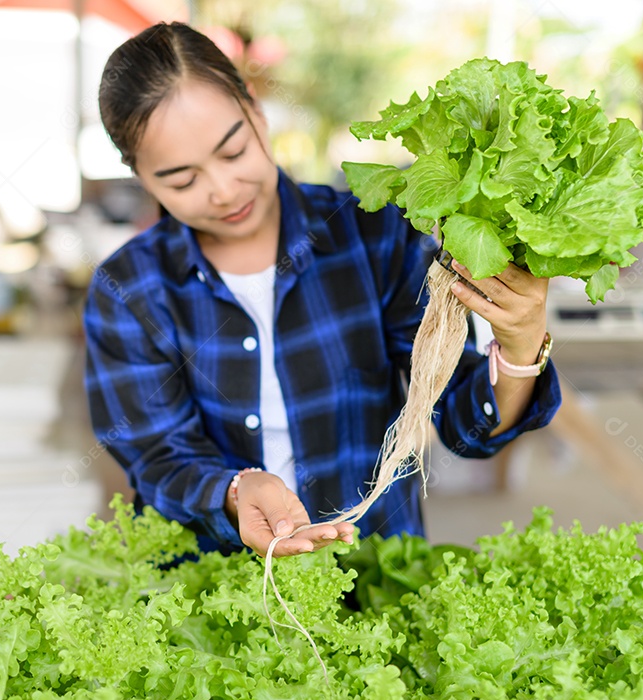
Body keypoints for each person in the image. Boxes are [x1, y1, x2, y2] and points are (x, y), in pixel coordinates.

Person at [83, 21, 561, 559]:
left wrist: (521, 349)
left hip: (373, 572)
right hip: (209, 583)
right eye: (181, 180)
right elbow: (157, 455)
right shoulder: (127, 288)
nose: (222, 190)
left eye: (233, 151)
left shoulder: (371, 235)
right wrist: (236, 492)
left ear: (256, 111)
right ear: (140, 176)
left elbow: (466, 426)